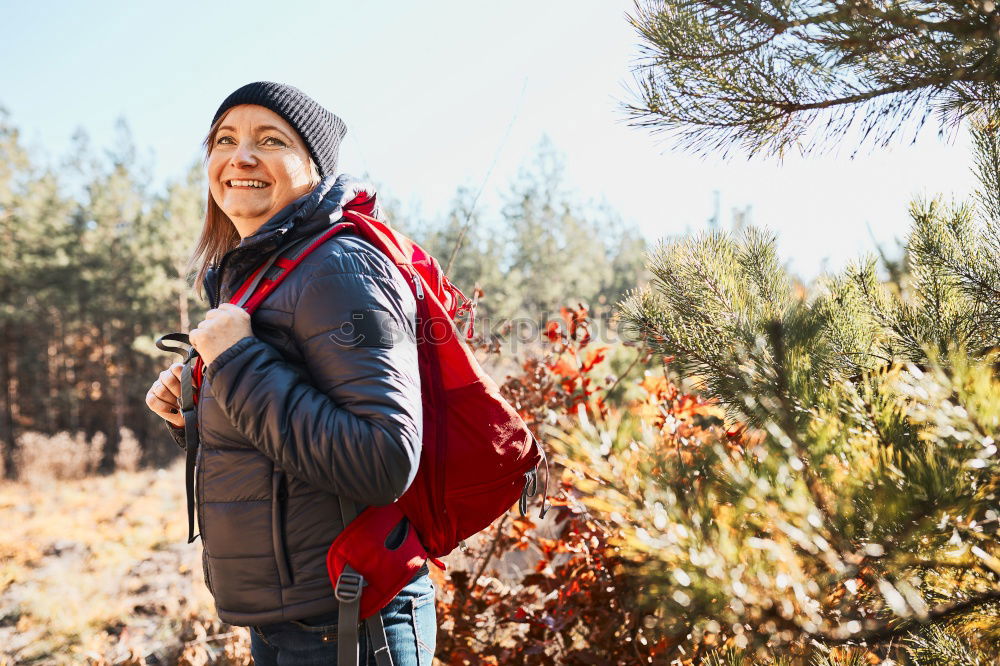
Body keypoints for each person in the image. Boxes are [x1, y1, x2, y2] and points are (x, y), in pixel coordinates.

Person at [144, 81, 436, 665]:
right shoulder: (258, 277)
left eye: (270, 140)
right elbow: (276, 456)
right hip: (290, 619)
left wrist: (236, 362)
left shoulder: (339, 266)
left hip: (351, 618)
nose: (240, 156)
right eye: (224, 140)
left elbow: (383, 458)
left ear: (315, 167)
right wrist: (195, 411)